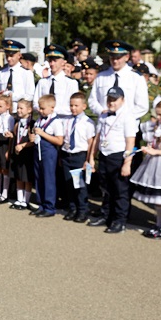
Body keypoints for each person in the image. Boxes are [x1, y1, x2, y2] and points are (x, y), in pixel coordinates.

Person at [86, 86, 137, 233]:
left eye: (114, 100)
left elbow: (130, 142)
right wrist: (91, 157)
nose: (111, 103)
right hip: (104, 155)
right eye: (109, 99)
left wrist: (127, 163)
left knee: (120, 190)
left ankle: (119, 221)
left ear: (122, 100)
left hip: (118, 156)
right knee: (106, 188)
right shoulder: (103, 115)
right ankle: (106, 215)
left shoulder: (127, 117)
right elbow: (97, 138)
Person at [130, 96, 161, 238]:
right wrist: (150, 148)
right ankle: (159, 224)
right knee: (158, 198)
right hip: (154, 165)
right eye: (157, 114)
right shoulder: (159, 127)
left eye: (160, 114)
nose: (157, 117)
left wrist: (155, 151)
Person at [59, 92, 96, 223]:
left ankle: (82, 210)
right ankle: (72, 208)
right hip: (67, 155)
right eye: (71, 105)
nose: (73, 108)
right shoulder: (67, 120)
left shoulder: (88, 122)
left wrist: (88, 160)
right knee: (69, 184)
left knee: (80, 185)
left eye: (76, 105)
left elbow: (91, 142)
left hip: (79, 157)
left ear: (84, 106)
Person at [29, 94, 65, 217]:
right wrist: (33, 136)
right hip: (37, 150)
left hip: (49, 152)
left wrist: (43, 134)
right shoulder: (39, 119)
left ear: (52, 107)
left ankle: (50, 207)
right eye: (39, 107)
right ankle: (41, 204)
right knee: (39, 178)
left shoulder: (56, 122)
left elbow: (59, 141)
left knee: (48, 179)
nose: (40, 110)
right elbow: (35, 132)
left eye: (43, 108)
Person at [10, 99, 36, 210]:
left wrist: (23, 145)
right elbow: (15, 136)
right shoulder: (17, 123)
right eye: (18, 108)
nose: (19, 110)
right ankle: (19, 199)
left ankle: (26, 200)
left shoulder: (32, 124)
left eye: (21, 108)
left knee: (27, 178)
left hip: (27, 153)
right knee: (19, 176)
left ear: (29, 110)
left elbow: (33, 141)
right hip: (18, 152)